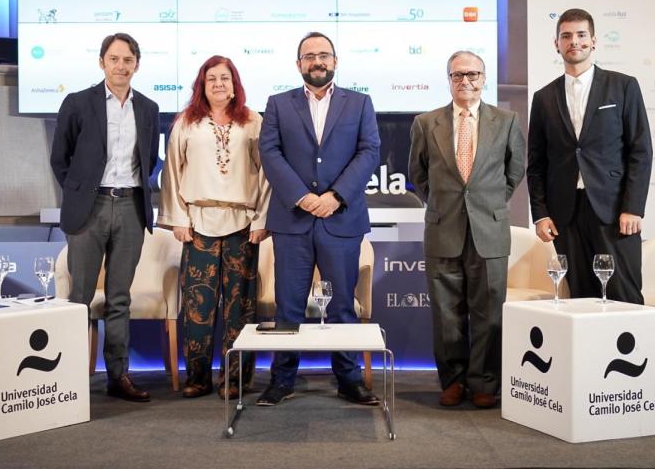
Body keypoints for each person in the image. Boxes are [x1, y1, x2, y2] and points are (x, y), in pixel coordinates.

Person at [256, 31, 381, 407]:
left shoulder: (359, 103)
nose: (317, 62)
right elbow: (270, 152)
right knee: (288, 306)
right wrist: (304, 197)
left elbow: (369, 150)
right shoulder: (278, 104)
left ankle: (349, 380)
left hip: (341, 218)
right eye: (309, 56)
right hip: (292, 219)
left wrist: (335, 196)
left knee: (342, 305)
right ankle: (282, 381)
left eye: (324, 55)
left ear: (336, 61)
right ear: (298, 65)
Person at [408, 51, 525, 409]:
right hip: (444, 228)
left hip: (488, 230)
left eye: (472, 74)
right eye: (457, 76)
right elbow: (418, 174)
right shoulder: (426, 123)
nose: (466, 81)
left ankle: (485, 382)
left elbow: (514, 171)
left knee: (489, 311)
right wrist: (447, 205)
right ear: (449, 80)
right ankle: (454, 381)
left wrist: (485, 203)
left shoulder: (506, 120)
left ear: (484, 78)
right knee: (446, 313)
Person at [50, 32, 160, 402]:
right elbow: (59, 158)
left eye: (127, 60)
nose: (121, 66)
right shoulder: (78, 103)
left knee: (119, 298)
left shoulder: (148, 108)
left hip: (130, 207)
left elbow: (150, 159)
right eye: (114, 59)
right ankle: (68, 377)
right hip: (90, 209)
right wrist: (80, 192)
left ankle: (119, 376)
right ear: (102, 63)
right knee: (80, 297)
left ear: (136, 65)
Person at [158, 55, 271, 400]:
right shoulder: (186, 123)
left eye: (225, 78)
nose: (219, 84)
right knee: (199, 308)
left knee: (240, 308)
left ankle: (236, 379)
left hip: (242, 224)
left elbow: (267, 175)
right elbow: (172, 173)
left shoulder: (253, 122)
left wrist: (261, 220)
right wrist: (178, 218)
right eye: (212, 79)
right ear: (201, 85)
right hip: (199, 224)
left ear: (235, 84)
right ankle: (198, 378)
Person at [527, 8, 652, 305]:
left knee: (624, 294)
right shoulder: (543, 98)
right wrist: (541, 213)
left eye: (581, 35)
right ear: (556, 44)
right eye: (566, 36)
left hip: (614, 211)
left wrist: (633, 207)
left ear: (594, 41)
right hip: (565, 214)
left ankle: (636, 353)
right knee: (581, 297)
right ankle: (589, 354)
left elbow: (641, 150)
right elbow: (536, 163)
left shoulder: (623, 86)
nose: (574, 41)